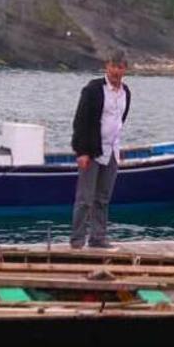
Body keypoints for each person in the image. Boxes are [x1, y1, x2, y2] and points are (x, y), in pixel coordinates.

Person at [70, 51, 131, 249]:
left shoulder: (126, 93)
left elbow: (119, 121)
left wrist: (117, 148)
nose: (115, 71)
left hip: (112, 151)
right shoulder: (93, 89)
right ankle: (77, 241)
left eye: (120, 67)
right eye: (113, 66)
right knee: (84, 199)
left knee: (103, 199)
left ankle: (98, 238)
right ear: (107, 66)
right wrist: (82, 152)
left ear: (125, 69)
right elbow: (81, 121)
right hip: (92, 150)